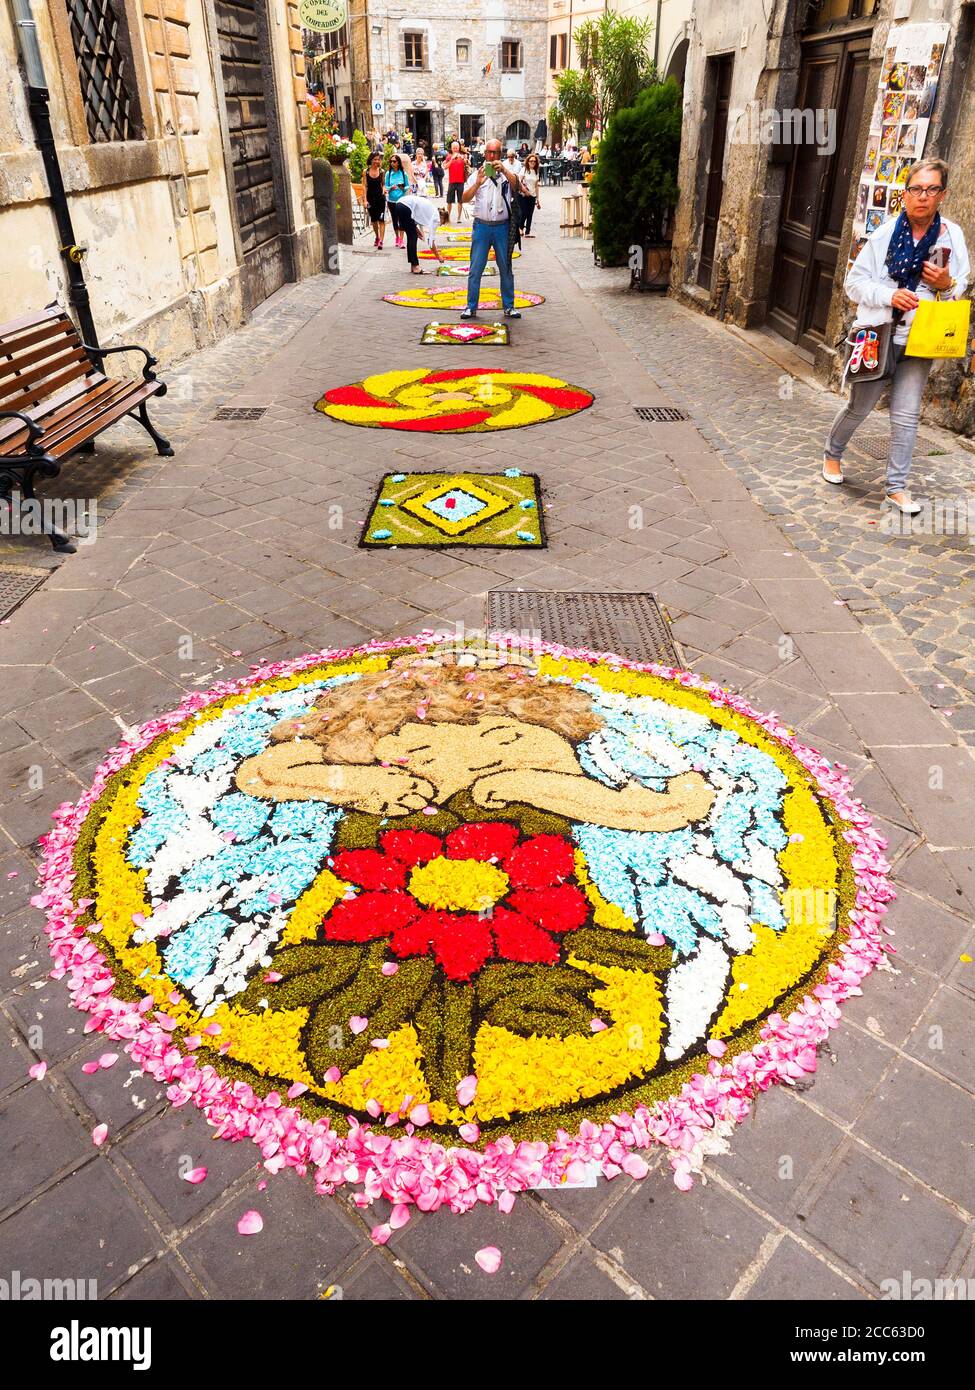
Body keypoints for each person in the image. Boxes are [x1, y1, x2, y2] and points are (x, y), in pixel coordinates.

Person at [822, 158, 970, 516]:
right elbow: (854, 283)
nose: (923, 197)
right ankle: (832, 454)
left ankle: (896, 487)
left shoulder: (952, 235)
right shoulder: (885, 233)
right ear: (905, 194)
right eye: (916, 189)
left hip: (921, 339)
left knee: (906, 415)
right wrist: (889, 296)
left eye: (931, 189)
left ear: (943, 195)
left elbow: (962, 284)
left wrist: (946, 284)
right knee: (860, 407)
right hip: (879, 334)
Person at [460, 137, 521, 321]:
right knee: (475, 268)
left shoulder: (506, 173)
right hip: (482, 227)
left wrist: (505, 171)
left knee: (506, 268)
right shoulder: (478, 174)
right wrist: (478, 183)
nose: (492, 155)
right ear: (484, 154)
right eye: (489, 152)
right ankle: (471, 307)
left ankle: (509, 306)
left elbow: (517, 186)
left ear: (500, 155)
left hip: (502, 228)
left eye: (495, 152)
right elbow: (463, 198)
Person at [396, 191, 449, 274]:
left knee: (411, 236)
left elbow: (415, 218)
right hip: (406, 206)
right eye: (443, 223)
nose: (441, 225)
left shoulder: (432, 211)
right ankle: (416, 267)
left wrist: (416, 230)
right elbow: (431, 242)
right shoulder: (436, 218)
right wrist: (438, 257)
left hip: (400, 204)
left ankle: (413, 266)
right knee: (412, 237)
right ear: (442, 218)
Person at [384, 154, 410, 249]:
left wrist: (402, 187)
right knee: (395, 219)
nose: (392, 163)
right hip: (391, 200)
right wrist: (390, 188)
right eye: (391, 161)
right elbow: (386, 186)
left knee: (401, 220)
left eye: (394, 161)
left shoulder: (403, 173)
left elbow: (408, 185)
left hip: (401, 200)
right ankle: (397, 238)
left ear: (398, 163)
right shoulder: (388, 174)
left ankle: (402, 240)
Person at [364, 150, 387, 250]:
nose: (377, 161)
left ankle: (381, 241)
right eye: (375, 159)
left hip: (380, 198)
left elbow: (383, 184)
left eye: (378, 159)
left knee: (381, 220)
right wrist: (365, 200)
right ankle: (377, 236)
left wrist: (384, 189)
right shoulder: (366, 172)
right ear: (371, 160)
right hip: (370, 198)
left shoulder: (382, 172)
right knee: (374, 220)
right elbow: (364, 186)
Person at [445, 140, 469, 223]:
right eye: (453, 148)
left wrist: (463, 158)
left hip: (460, 181)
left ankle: (458, 218)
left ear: (459, 148)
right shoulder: (449, 156)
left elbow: (468, 163)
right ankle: (448, 218)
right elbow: (445, 167)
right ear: (451, 148)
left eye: (456, 148)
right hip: (451, 181)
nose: (455, 149)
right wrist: (451, 159)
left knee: (460, 201)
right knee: (449, 201)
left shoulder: (462, 156)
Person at [519, 153, 542, 237]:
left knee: (530, 214)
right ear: (527, 161)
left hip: (532, 195)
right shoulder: (524, 170)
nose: (532, 163)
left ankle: (528, 231)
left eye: (534, 161)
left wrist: (537, 198)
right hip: (524, 195)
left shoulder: (536, 172)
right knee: (524, 212)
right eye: (531, 161)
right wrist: (524, 190)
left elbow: (536, 186)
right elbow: (519, 181)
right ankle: (520, 227)